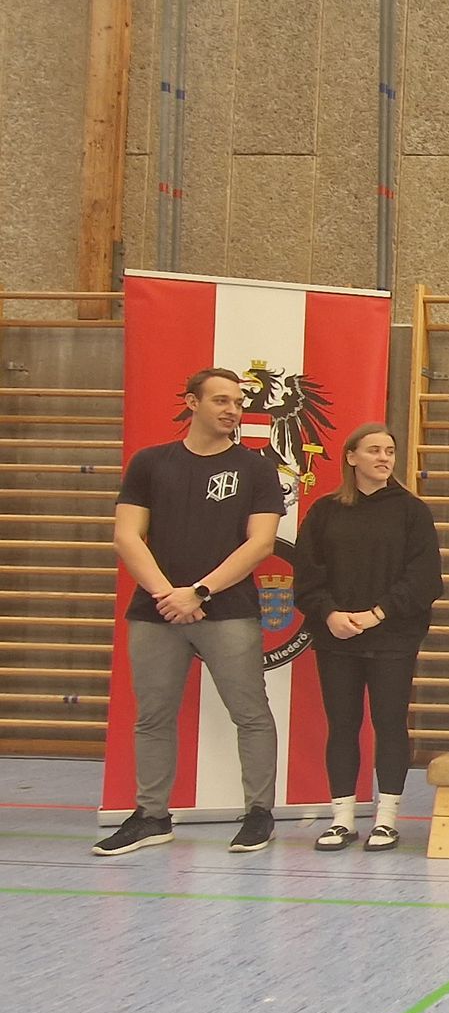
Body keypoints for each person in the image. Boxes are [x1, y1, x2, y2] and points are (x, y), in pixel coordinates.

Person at [95, 367, 284, 857]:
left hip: (229, 611)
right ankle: (152, 816)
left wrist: (198, 592)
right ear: (192, 402)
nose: (232, 410)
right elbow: (126, 536)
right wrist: (168, 595)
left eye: (237, 403)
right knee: (153, 716)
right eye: (221, 400)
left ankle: (258, 814)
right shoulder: (150, 462)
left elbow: (261, 543)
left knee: (251, 713)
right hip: (156, 611)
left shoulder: (256, 468)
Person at [292, 422, 443, 852]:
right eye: (374, 450)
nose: (383, 458)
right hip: (337, 637)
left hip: (393, 636)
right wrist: (330, 613)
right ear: (351, 457)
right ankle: (342, 818)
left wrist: (379, 613)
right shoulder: (324, 512)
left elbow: (425, 578)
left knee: (390, 723)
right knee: (342, 724)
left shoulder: (412, 511)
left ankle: (387, 819)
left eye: (389, 451)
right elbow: (307, 575)